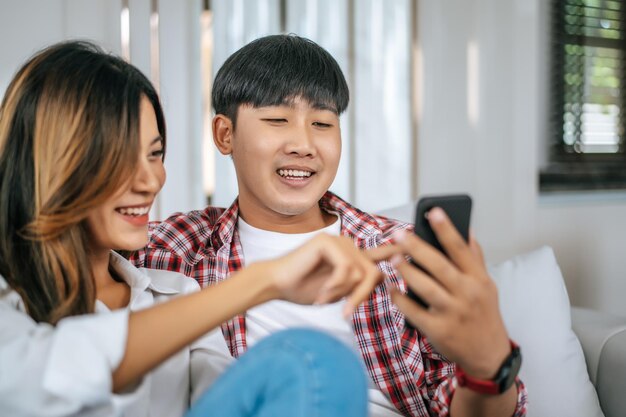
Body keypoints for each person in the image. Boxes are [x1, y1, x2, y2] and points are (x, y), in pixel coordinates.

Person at [132, 34, 528, 417]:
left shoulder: (399, 253)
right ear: (225, 133)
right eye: (277, 119)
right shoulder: (173, 251)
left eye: (323, 123)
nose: (303, 144)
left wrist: (487, 369)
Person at [0, 40, 394, 417]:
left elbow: (232, 398)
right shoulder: (12, 299)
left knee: (312, 363)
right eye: (116, 155)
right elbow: (40, 381)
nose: (150, 180)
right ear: (50, 163)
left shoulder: (172, 291)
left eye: (154, 154)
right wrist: (264, 281)